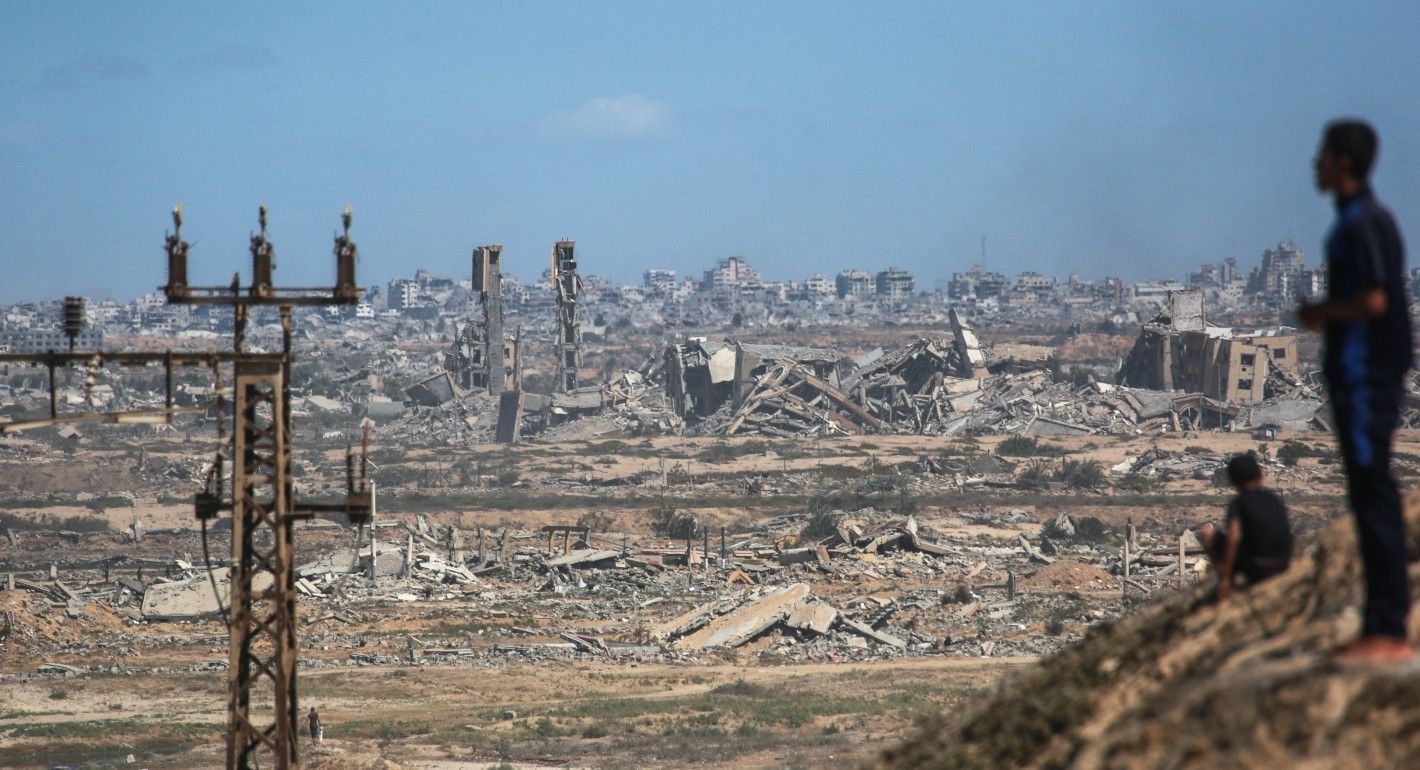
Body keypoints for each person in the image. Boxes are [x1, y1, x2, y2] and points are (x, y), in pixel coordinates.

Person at [1298, 119, 1413, 664]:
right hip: (1360, 376)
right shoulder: (1357, 219)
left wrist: (1321, 312)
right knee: (1368, 496)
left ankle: (1389, 628)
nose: (1315, 164)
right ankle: (1380, 623)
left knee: (1374, 496)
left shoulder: (1364, 222)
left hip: (1368, 376)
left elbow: (1375, 301)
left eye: (1322, 154)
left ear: (1343, 161)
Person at [1200, 453, 1292, 602]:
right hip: (1283, 564)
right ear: (1260, 475)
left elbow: (1233, 537)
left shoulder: (1239, 503)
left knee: (1207, 533)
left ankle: (1226, 583)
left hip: (1258, 566)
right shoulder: (1273, 499)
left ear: (1233, 481)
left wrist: (1225, 577)